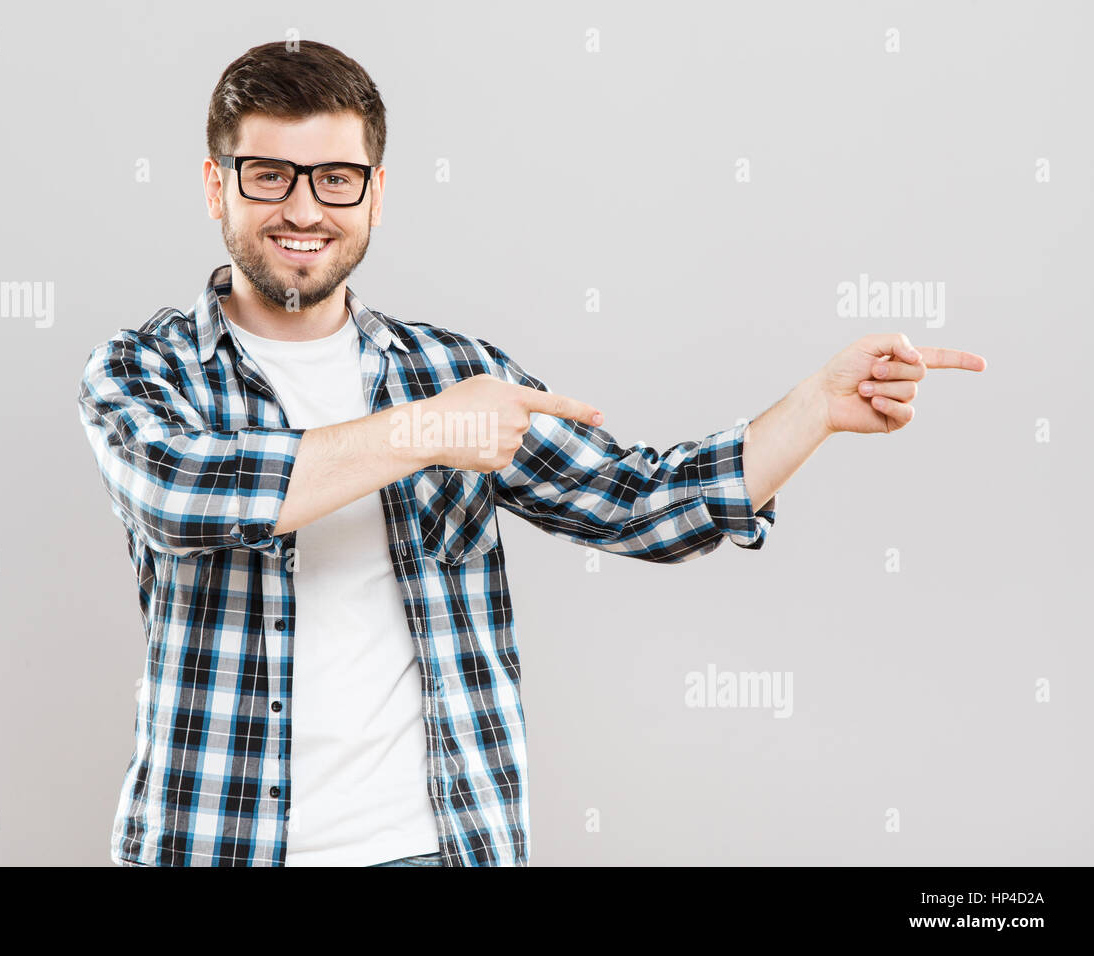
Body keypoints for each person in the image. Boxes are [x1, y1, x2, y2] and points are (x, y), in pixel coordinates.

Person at [77, 40, 987, 867]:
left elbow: (639, 503)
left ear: (377, 192)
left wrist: (814, 410)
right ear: (215, 185)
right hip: (211, 845)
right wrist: (430, 431)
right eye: (269, 175)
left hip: (437, 847)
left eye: (337, 178)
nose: (304, 208)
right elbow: (180, 495)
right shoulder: (141, 369)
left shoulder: (456, 371)